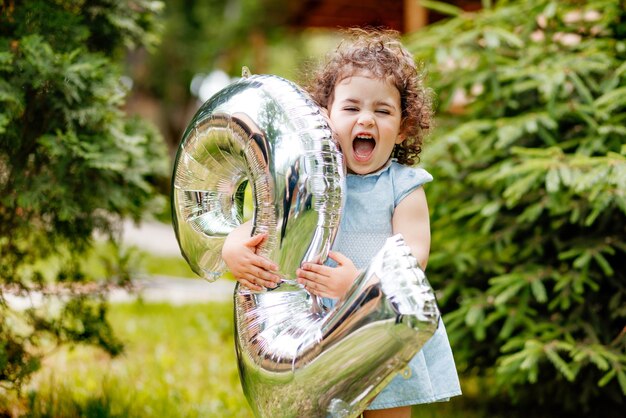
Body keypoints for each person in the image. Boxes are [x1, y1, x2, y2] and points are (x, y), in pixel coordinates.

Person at [222, 28, 461, 418]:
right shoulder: (308, 179)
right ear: (324, 116)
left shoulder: (404, 186)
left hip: (380, 321)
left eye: (382, 111)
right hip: (316, 325)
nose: (366, 119)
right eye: (351, 108)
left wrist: (360, 287)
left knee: (388, 410)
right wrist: (233, 248)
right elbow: (260, 223)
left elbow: (414, 257)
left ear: (402, 127)